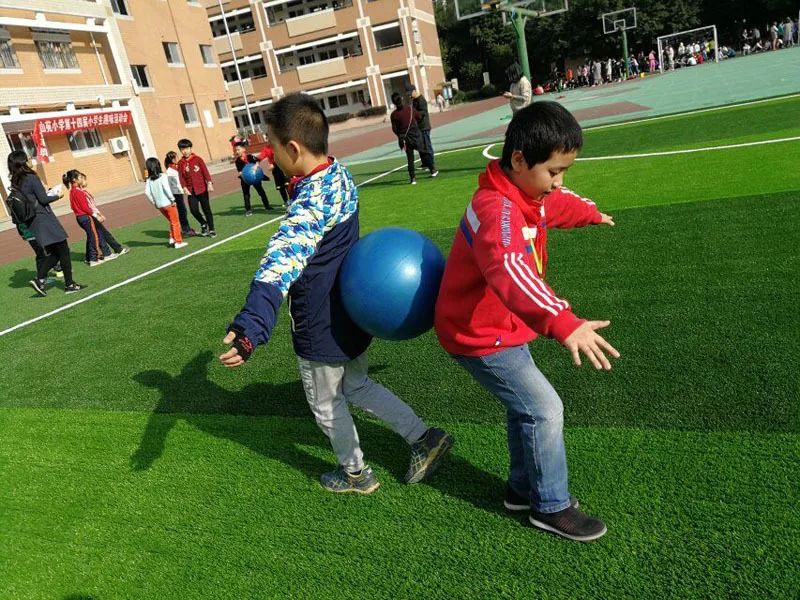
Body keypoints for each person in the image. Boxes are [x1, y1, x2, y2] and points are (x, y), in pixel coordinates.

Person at [219, 93, 454, 494]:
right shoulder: (337, 174)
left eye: (272, 148)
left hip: (321, 324)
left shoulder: (308, 204)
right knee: (357, 385)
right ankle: (423, 436)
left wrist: (250, 329)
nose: (269, 156)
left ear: (293, 148)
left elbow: (278, 266)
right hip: (352, 314)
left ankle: (356, 475)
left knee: (327, 405)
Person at [434, 102, 619, 542]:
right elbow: (510, 270)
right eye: (554, 172)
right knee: (544, 408)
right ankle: (551, 506)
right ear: (519, 160)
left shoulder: (526, 194)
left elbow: (557, 207)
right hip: (478, 335)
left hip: (505, 328)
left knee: (525, 408)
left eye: (564, 171)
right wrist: (563, 320)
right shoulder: (495, 210)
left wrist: (591, 213)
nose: (559, 182)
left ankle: (521, 490)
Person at [6, 150, 86, 296]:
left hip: (33, 221)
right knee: (63, 250)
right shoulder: (31, 177)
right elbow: (43, 199)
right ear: (23, 162)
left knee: (55, 252)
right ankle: (69, 285)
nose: (31, 159)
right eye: (28, 158)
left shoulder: (16, 180)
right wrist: (57, 195)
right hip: (44, 218)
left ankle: (40, 279)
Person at [78, 172, 129, 260]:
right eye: (84, 179)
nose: (86, 181)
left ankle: (90, 256)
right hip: (91, 216)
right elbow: (88, 207)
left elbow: (92, 205)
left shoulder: (84, 192)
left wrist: (99, 213)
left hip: (93, 214)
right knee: (102, 233)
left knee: (96, 234)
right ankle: (115, 249)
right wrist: (97, 215)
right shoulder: (81, 193)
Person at [390, 92, 437, 185]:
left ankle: (413, 178)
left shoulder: (394, 115)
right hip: (415, 135)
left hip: (405, 139)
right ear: (401, 99)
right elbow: (419, 117)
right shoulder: (410, 109)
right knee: (424, 152)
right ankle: (432, 170)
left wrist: (401, 135)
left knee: (410, 159)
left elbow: (395, 129)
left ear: (393, 103)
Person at [65, 169, 106, 266]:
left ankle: (89, 257)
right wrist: (96, 215)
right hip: (85, 217)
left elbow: (73, 206)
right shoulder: (78, 192)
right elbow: (85, 207)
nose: (81, 179)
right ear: (74, 180)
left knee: (90, 236)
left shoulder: (72, 191)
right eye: (79, 177)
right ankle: (93, 258)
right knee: (94, 237)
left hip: (80, 217)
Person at [144, 157, 187, 249]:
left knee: (171, 221)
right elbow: (166, 189)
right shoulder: (162, 176)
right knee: (175, 222)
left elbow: (147, 192)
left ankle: (172, 238)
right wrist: (172, 199)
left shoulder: (149, 180)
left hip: (159, 205)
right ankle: (178, 242)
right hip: (168, 203)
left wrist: (154, 202)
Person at [177, 138, 216, 237]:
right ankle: (203, 223)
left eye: (186, 148)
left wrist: (209, 183)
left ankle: (211, 229)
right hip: (191, 191)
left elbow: (205, 171)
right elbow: (181, 177)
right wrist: (184, 187)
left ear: (190, 148)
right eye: (182, 149)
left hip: (202, 189)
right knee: (193, 210)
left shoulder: (198, 159)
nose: (185, 151)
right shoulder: (181, 163)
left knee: (206, 209)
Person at [233, 141, 272, 215]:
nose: (237, 151)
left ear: (244, 149)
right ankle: (248, 210)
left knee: (261, 192)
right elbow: (240, 171)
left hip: (255, 177)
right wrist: (242, 174)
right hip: (245, 179)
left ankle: (267, 206)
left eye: (238, 149)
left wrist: (256, 166)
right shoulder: (237, 161)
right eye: (236, 150)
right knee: (246, 194)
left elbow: (257, 162)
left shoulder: (250, 157)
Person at [165, 150, 195, 236]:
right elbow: (172, 184)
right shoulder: (169, 171)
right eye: (175, 157)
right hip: (176, 193)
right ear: (172, 159)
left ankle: (186, 228)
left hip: (180, 192)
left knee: (183, 211)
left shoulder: (176, 167)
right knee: (182, 211)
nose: (177, 158)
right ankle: (185, 229)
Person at [255, 137, 290, 207]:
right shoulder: (266, 148)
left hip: (283, 166)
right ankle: (286, 201)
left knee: (287, 184)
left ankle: (293, 199)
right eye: (267, 139)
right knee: (280, 187)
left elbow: (283, 156)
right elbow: (260, 157)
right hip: (275, 170)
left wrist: (273, 164)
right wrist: (256, 164)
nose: (269, 140)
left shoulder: (279, 145)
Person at [406, 84, 436, 167]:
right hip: (418, 127)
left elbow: (423, 112)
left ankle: (431, 163)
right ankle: (425, 163)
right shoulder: (414, 100)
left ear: (414, 91)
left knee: (427, 146)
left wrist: (415, 116)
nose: (409, 95)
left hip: (424, 126)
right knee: (420, 146)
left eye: (410, 93)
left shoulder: (421, 100)